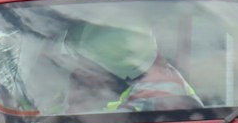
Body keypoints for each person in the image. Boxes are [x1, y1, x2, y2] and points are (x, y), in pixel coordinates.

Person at [57, 19, 203, 113]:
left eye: (85, 62)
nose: (77, 69)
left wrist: (76, 112)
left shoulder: (159, 94)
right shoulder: (102, 88)